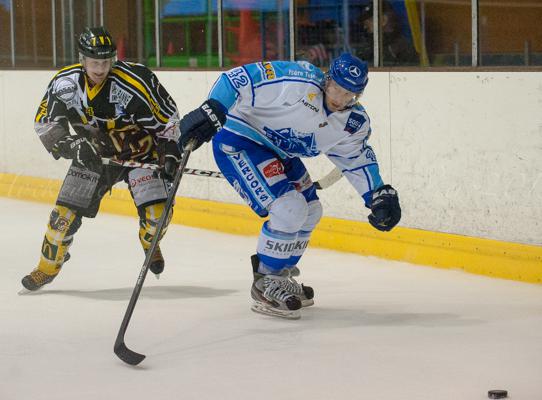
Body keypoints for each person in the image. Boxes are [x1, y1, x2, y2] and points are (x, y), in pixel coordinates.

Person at [178, 53, 401, 319]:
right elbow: (236, 79)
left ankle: (280, 276)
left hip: (280, 153)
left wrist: (377, 194)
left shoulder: (352, 123)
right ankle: (265, 281)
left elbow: (355, 159)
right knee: (289, 210)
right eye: (336, 89)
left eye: (349, 95)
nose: (339, 99)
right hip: (239, 140)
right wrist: (214, 108)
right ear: (327, 79)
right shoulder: (296, 82)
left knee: (312, 210)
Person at [21, 26, 186, 291]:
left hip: (140, 154)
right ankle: (46, 268)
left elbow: (168, 121)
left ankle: (150, 243)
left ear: (113, 59)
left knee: (157, 218)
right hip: (93, 156)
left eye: (105, 61)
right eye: (94, 62)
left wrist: (170, 153)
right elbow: (46, 122)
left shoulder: (135, 81)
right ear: (82, 59)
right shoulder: (65, 84)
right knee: (61, 221)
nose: (100, 68)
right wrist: (71, 145)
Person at [356, 1, 418, 66]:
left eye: (368, 22)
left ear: (383, 20)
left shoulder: (402, 49)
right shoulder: (370, 47)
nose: (365, 27)